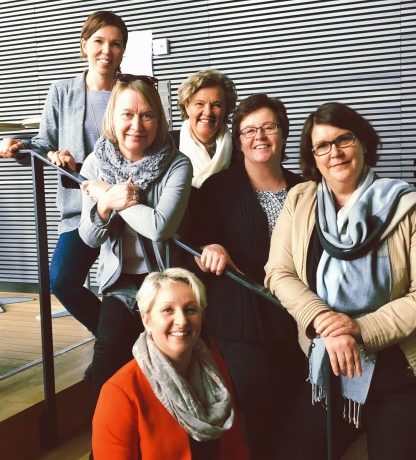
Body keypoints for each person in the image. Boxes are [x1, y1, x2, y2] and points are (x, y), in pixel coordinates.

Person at [265, 102, 416, 460]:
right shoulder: (300, 200)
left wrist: (358, 328)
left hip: (397, 371)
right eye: (322, 146)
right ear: (313, 158)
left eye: (344, 139)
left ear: (362, 142)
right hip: (327, 366)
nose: (334, 152)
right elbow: (278, 272)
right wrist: (324, 321)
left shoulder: (407, 205)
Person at [189, 93, 305, 459]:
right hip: (244, 318)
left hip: (300, 317)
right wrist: (211, 247)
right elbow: (195, 241)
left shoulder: (306, 188)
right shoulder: (218, 188)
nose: (259, 136)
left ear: (283, 133)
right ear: (238, 141)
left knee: (302, 414)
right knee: (262, 414)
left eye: (268, 127)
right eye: (249, 130)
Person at [0, 11, 128, 338]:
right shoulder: (62, 91)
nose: (106, 50)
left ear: (122, 50)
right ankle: (116, 343)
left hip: (128, 207)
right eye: (99, 41)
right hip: (79, 208)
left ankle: (123, 349)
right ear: (84, 45)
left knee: (129, 287)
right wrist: (32, 150)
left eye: (115, 44)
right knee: (62, 281)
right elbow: (44, 142)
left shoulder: (131, 90)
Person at [78, 75, 192, 397]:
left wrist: (111, 196)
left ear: (158, 120)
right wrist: (105, 205)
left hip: (164, 281)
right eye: (127, 114)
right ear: (113, 118)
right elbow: (89, 238)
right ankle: (104, 430)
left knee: (165, 366)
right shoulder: (95, 164)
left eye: (147, 115)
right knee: (107, 356)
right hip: (120, 282)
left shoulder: (177, 164)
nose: (136, 125)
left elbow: (160, 227)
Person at [92, 268, 249, 460]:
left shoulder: (216, 367)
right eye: (168, 310)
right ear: (147, 320)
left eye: (190, 309)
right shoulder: (119, 393)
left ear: (202, 317)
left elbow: (235, 449)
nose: (182, 321)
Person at [177, 69, 237, 219]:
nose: (208, 112)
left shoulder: (240, 150)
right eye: (199, 104)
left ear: (226, 109)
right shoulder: (168, 146)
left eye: (216, 105)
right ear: (187, 106)